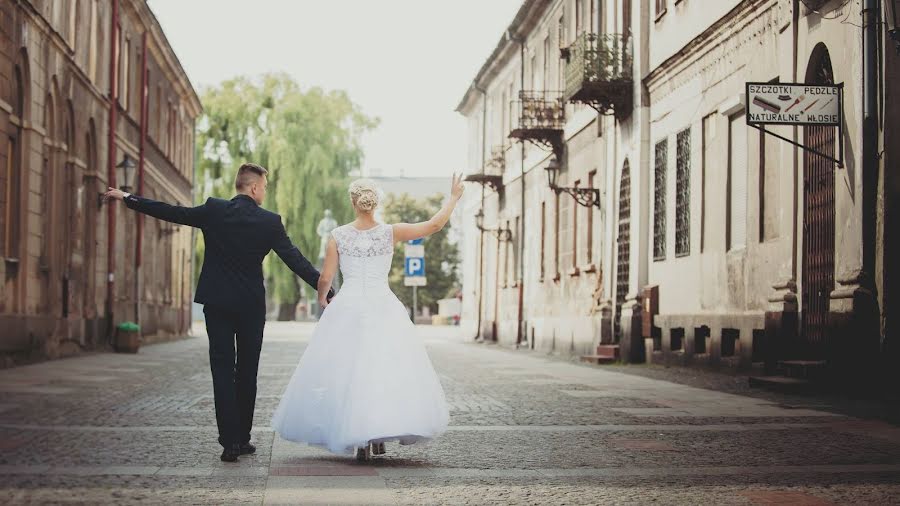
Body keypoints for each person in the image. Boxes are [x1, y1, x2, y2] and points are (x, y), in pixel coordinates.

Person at [103, 162, 332, 463]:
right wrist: (330, 293)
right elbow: (296, 261)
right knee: (247, 371)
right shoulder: (269, 222)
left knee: (222, 370)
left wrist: (129, 198)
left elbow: (173, 212)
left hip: (217, 303)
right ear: (253, 187)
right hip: (250, 306)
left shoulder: (213, 210)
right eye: (264, 186)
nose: (264, 191)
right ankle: (243, 438)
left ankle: (229, 444)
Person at [271, 175, 464, 460]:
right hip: (382, 305)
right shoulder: (390, 232)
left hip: (347, 307)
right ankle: (375, 435)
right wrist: (454, 198)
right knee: (382, 370)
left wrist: (322, 297)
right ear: (376, 203)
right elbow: (434, 225)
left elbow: (325, 276)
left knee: (347, 370)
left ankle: (359, 439)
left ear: (353, 202)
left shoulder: (338, 235)